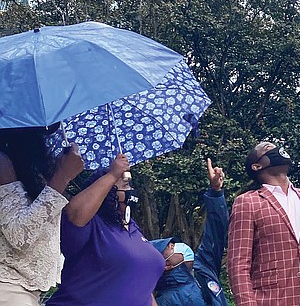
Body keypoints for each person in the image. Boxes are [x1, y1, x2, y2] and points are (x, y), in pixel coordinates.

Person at [228, 141, 300, 306]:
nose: (276, 149)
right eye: (268, 148)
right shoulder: (247, 202)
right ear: (256, 166)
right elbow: (238, 264)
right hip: (270, 299)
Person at [46, 154, 164, 306]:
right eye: (124, 185)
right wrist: (112, 174)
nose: (130, 190)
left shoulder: (133, 229)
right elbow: (73, 213)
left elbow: (142, 288)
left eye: (130, 185)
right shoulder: (92, 224)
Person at [0, 126, 84, 306]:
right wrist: (62, 176)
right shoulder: (2, 162)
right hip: (9, 289)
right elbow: (20, 235)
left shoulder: (29, 166)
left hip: (21, 290)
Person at [193, 159, 228, 306]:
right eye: (170, 246)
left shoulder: (203, 270)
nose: (180, 245)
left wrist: (216, 192)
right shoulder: (162, 298)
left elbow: (217, 230)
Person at [150, 237, 205, 306]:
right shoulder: (170, 299)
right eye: (171, 247)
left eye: (174, 244)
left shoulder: (196, 276)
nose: (179, 246)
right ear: (167, 265)